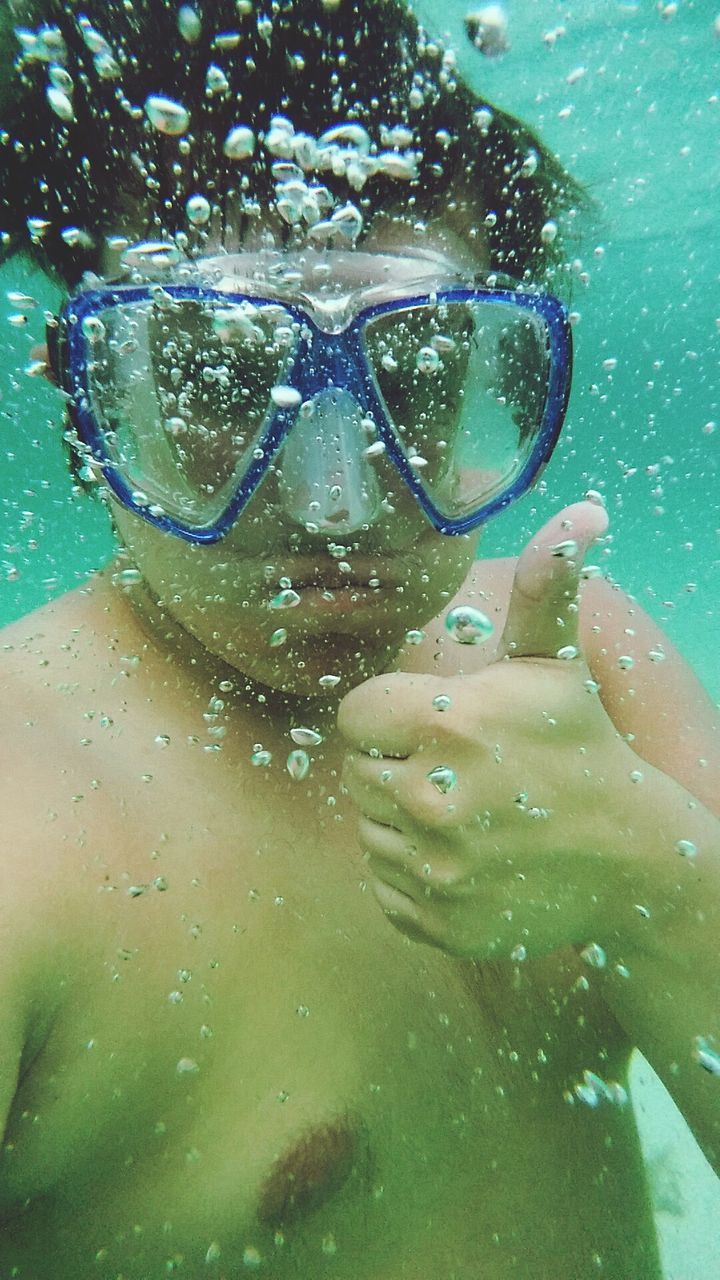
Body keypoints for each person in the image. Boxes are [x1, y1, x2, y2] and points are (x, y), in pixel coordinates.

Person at [0, 1, 717, 1276]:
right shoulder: (23, 813)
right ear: (90, 406)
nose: (338, 507)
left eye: (425, 374)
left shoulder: (585, 655)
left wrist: (662, 890)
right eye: (220, 380)